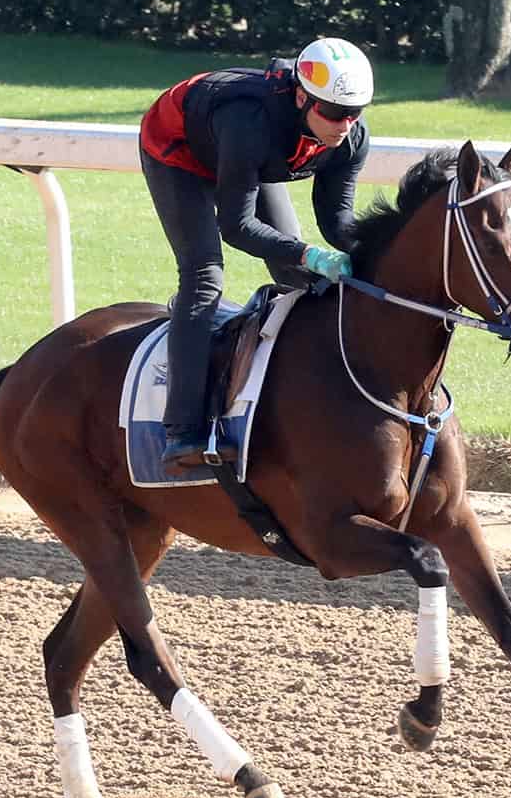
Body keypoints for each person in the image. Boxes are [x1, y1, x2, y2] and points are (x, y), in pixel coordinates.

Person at [139, 37, 374, 472]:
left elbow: (337, 222)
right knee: (204, 274)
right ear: (302, 97)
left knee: (299, 276)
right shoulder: (250, 121)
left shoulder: (350, 138)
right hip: (181, 152)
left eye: (353, 114)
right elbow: (237, 227)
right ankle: (182, 433)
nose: (344, 125)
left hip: (251, 160)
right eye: (334, 113)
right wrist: (310, 255)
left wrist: (372, 254)